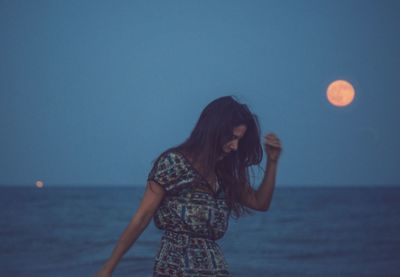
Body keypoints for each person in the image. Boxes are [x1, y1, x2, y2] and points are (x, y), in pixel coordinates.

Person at [95, 96, 282, 276]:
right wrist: (107, 269)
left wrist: (272, 161)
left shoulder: (224, 175)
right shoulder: (173, 163)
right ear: (214, 130)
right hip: (175, 266)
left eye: (239, 140)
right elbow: (141, 218)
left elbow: (260, 203)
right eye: (232, 138)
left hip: (215, 268)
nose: (235, 146)